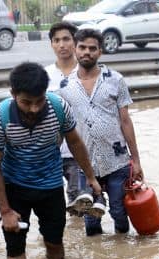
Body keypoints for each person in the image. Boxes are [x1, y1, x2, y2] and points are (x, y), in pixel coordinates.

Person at [0, 62, 100, 259]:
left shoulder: (58, 108)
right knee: (15, 251)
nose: (34, 108)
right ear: (13, 94)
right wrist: (5, 211)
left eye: (39, 101)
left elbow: (75, 142)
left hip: (51, 187)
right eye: (26, 102)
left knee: (55, 245)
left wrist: (90, 177)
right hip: (14, 188)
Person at [59, 29, 144, 236]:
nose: (87, 52)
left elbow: (125, 121)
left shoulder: (115, 80)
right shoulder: (65, 86)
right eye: (82, 47)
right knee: (90, 218)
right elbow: (62, 128)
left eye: (92, 48)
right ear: (75, 49)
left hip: (117, 161)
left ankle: (123, 257)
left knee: (119, 212)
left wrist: (137, 160)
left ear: (100, 52)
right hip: (84, 164)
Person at [44, 21, 93, 220]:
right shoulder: (44, 74)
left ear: (75, 43)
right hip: (50, 151)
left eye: (66, 39)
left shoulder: (86, 72)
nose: (62, 45)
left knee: (79, 202)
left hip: (79, 149)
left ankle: (81, 242)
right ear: (52, 44)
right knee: (51, 203)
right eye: (56, 40)